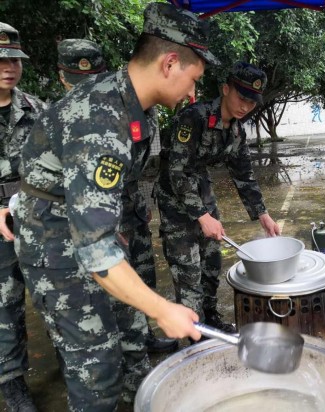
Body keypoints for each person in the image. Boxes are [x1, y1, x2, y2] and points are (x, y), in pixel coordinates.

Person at [12, 3, 219, 410]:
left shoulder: (126, 103)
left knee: (127, 335)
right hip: (54, 246)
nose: (194, 94)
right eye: (194, 80)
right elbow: (94, 248)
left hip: (79, 227)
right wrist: (164, 309)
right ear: (170, 63)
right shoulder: (101, 120)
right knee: (96, 370)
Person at [57, 39, 178, 353]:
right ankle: (121, 354)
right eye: (79, 81)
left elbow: (136, 164)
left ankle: (141, 340)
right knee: (103, 300)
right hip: (87, 225)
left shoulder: (127, 112)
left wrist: (141, 202)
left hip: (130, 211)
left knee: (142, 278)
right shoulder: (64, 120)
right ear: (62, 78)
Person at [155, 61, 281, 335]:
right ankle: (195, 335)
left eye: (252, 102)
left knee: (211, 265)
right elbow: (177, 171)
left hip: (203, 194)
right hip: (176, 202)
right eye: (241, 97)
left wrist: (264, 215)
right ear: (225, 89)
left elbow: (244, 174)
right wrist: (202, 217)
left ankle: (210, 319)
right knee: (189, 273)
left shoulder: (235, 130)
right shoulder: (194, 118)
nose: (245, 107)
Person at [0, 22, 48, 412]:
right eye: (1, 58)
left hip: (38, 220)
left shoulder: (37, 109)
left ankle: (74, 363)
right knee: (5, 306)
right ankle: (11, 382)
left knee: (53, 295)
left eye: (14, 57)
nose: (9, 66)